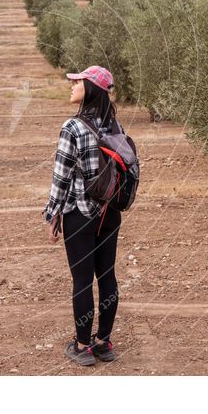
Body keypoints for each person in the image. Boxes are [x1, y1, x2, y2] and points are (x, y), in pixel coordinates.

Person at [42, 65, 124, 367]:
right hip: (110, 214)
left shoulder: (72, 128)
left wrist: (53, 215)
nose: (72, 85)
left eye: (77, 82)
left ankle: (82, 346)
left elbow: (60, 178)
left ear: (89, 89)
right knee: (107, 277)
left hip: (80, 214)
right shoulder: (114, 126)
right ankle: (103, 343)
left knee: (82, 281)